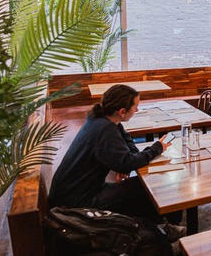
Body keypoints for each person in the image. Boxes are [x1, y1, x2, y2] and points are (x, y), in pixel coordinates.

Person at [49, 85, 174, 225]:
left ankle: (154, 225)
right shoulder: (105, 129)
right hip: (76, 203)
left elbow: (126, 145)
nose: (137, 110)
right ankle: (162, 227)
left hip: (72, 194)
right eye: (136, 106)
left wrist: (124, 163)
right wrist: (157, 148)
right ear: (122, 111)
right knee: (143, 187)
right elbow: (129, 162)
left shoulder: (100, 119)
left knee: (138, 185)